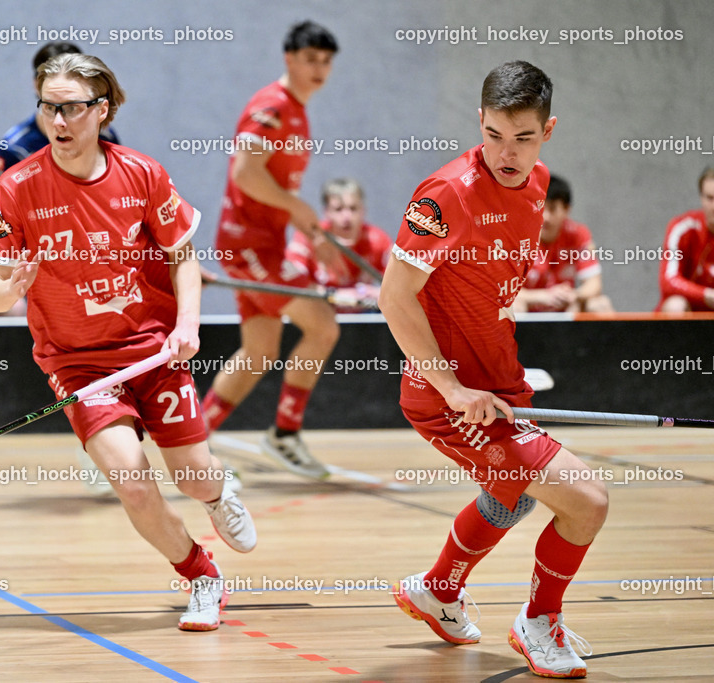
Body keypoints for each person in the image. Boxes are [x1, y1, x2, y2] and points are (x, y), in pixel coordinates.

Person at [0, 53, 256, 631]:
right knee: (132, 482)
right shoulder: (16, 187)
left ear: (101, 111)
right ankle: (202, 576)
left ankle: (216, 490)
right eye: (48, 107)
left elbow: (183, 254)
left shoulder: (143, 174)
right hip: (77, 364)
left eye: (72, 108)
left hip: (154, 350)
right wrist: (11, 288)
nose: (58, 121)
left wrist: (188, 325)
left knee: (193, 475)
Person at [378, 61, 607, 679]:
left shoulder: (538, 189)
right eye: (496, 135)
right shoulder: (445, 194)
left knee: (510, 498)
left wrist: (503, 370)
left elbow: (488, 290)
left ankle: (436, 591)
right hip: (445, 393)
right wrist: (452, 387)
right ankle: (538, 622)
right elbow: (394, 298)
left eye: (524, 138)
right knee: (587, 501)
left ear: (548, 131)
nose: (507, 153)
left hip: (501, 383)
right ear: (479, 121)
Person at [201, 21, 345, 480]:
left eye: (326, 61)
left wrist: (313, 233)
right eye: (310, 59)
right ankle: (283, 434)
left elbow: (275, 189)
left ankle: (195, 444)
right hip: (250, 245)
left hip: (261, 242)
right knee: (322, 326)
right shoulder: (272, 106)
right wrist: (298, 206)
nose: (319, 69)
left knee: (259, 350)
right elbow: (245, 173)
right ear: (289, 59)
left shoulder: (297, 110)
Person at [0, 41, 118, 199]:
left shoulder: (104, 134)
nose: (60, 122)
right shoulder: (15, 148)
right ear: (37, 84)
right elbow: (0, 213)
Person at [286, 177, 390, 311]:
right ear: (326, 212)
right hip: (319, 312)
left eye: (353, 209)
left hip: (363, 315)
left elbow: (401, 286)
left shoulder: (377, 240)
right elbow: (290, 280)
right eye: (338, 209)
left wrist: (374, 293)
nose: (346, 217)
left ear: (363, 211)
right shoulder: (309, 237)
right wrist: (335, 296)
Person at [513, 175, 613, 313]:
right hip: (530, 306)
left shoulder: (578, 234)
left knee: (601, 304)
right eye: (540, 208)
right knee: (514, 306)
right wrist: (543, 296)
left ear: (566, 209)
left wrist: (574, 295)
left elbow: (594, 284)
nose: (546, 217)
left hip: (565, 307)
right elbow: (502, 292)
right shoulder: (516, 237)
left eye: (553, 208)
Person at [657, 166, 714, 312]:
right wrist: (707, 295)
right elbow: (668, 281)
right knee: (675, 305)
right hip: (689, 311)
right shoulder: (683, 228)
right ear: (701, 198)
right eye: (710, 198)